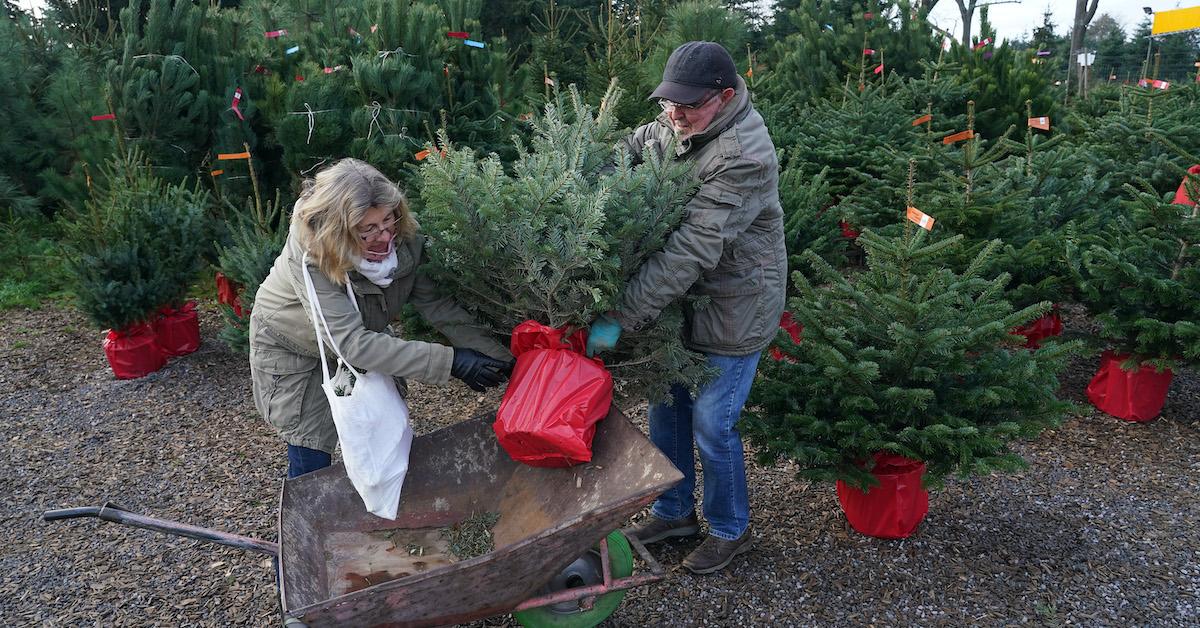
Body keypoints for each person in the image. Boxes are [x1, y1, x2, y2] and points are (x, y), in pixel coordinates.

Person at [586, 41, 786, 574]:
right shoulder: (679, 123)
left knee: (711, 423)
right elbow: (634, 146)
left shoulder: (743, 155)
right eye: (668, 103)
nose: (674, 115)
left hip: (733, 305)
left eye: (688, 106)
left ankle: (729, 527)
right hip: (678, 305)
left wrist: (617, 321)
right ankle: (674, 512)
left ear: (724, 97)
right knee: (665, 406)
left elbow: (689, 251)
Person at [250, 158, 512, 479]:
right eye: (368, 229)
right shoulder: (313, 256)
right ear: (339, 230)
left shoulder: (404, 237)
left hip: (357, 331)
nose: (384, 236)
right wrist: (451, 362)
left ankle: (382, 507)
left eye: (388, 220)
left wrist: (504, 359)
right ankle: (312, 512)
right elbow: (352, 345)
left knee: (383, 425)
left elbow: (438, 305)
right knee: (311, 440)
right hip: (293, 345)